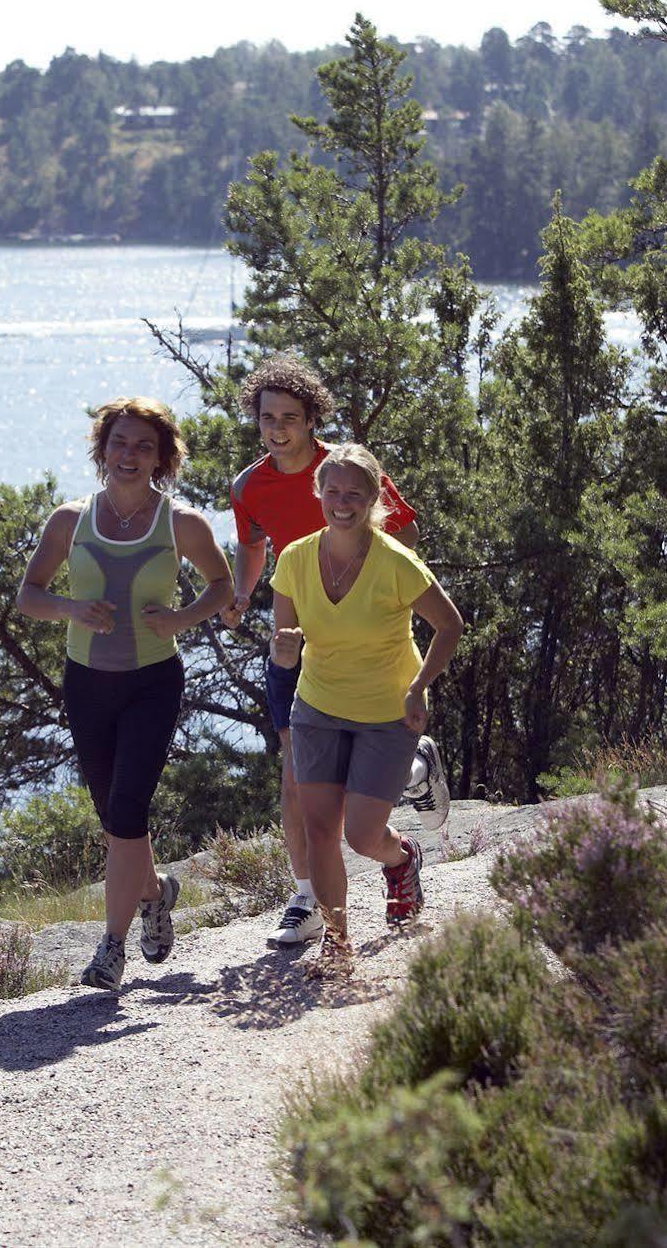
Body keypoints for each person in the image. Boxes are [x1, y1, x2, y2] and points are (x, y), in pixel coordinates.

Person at [219, 355, 447, 949]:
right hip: (299, 647)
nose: (276, 429)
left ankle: (411, 771)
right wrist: (244, 593)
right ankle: (311, 904)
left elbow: (406, 538)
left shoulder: (345, 469)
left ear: (311, 417)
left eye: (289, 417)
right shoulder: (248, 485)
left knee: (355, 809)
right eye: (266, 417)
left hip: (369, 653)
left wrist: (367, 586)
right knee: (298, 781)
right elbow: (252, 549)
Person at [17, 397, 232, 991]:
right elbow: (28, 595)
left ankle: (111, 950)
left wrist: (183, 617)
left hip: (151, 684)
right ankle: (158, 893)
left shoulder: (182, 523)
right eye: (120, 443)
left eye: (144, 446)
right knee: (115, 822)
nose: (129, 455)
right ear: (102, 449)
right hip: (86, 684)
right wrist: (69, 607)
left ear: (163, 457)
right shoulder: (70, 519)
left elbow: (222, 585)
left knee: (129, 811)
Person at [270, 443, 464, 978]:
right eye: (332, 491)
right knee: (319, 830)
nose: (342, 502)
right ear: (319, 494)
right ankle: (338, 943)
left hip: (387, 710)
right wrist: (282, 651)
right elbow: (284, 640)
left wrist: (420, 687)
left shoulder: (396, 562)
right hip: (318, 706)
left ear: (375, 498)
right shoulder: (294, 559)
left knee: (361, 835)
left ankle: (401, 859)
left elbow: (450, 626)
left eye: (354, 493)